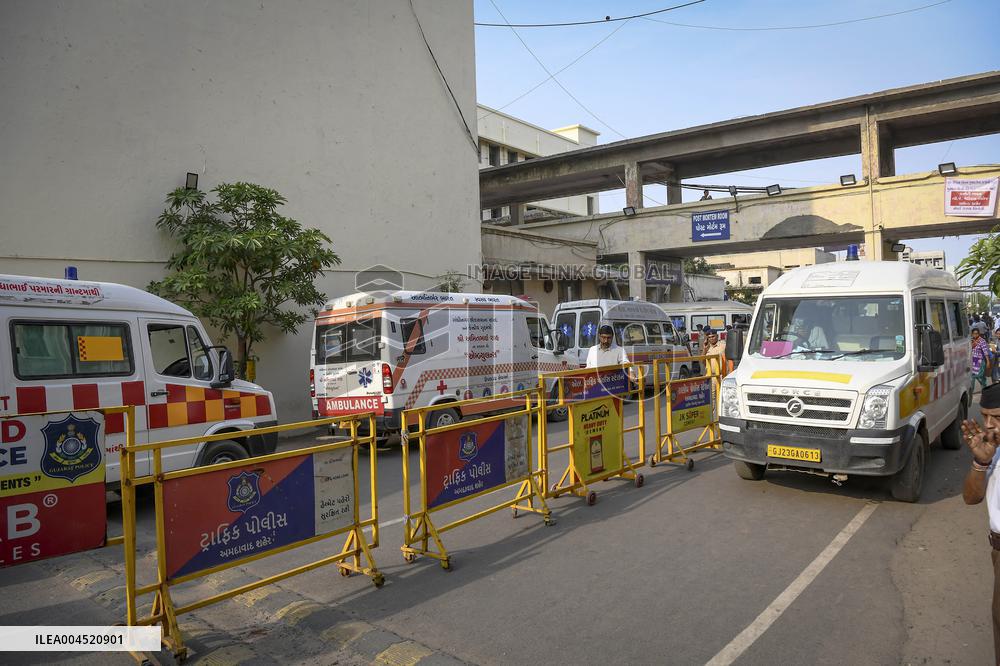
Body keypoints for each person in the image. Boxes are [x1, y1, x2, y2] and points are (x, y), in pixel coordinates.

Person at [961, 383, 1000, 663]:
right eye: (984, 416)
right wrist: (980, 462)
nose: (988, 425)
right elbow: (971, 498)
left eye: (996, 417)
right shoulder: (992, 449)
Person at [973, 327, 992, 395]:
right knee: (973, 377)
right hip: (973, 361)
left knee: (979, 376)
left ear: (979, 334)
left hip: (980, 361)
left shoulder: (982, 341)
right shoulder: (972, 340)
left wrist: (988, 362)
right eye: (974, 333)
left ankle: (985, 387)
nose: (975, 335)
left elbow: (985, 352)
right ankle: (971, 391)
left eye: (977, 333)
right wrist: (974, 344)